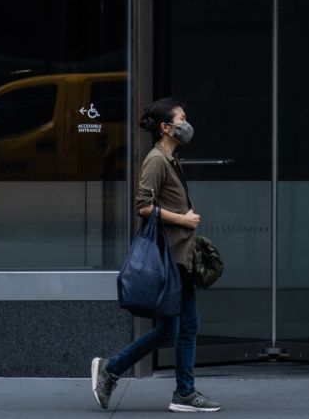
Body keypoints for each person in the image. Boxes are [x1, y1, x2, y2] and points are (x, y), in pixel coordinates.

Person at [91, 98, 221, 413]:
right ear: (166, 127)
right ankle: (182, 392)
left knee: (172, 329)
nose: (186, 124)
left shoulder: (170, 158)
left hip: (178, 253)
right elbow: (143, 206)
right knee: (185, 327)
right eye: (182, 118)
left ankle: (115, 370)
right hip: (170, 255)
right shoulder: (156, 160)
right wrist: (184, 219)